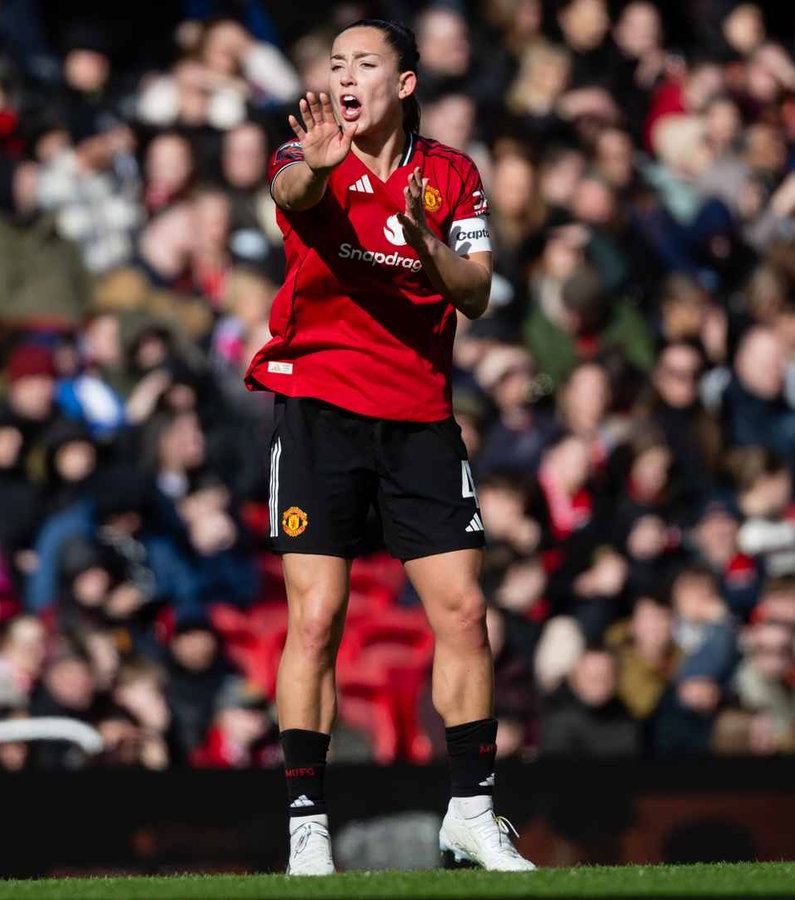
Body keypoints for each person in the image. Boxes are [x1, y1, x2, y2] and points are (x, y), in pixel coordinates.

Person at [243, 19, 531, 874]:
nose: (345, 75)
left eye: (364, 63)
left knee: (465, 613)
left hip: (420, 415)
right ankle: (306, 825)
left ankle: (472, 813)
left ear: (404, 82)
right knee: (318, 616)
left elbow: (475, 292)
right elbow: (291, 195)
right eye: (336, 64)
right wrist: (319, 168)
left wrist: (426, 240)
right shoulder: (307, 151)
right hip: (319, 406)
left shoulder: (450, 176)